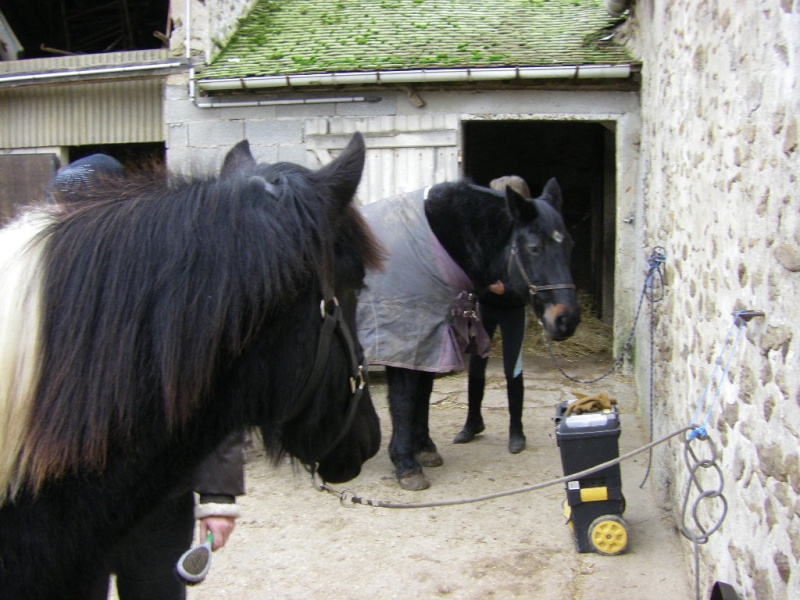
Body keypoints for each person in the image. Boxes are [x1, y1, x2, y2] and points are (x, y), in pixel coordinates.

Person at [48, 155, 246, 599]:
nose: (71, 225)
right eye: (63, 213)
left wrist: (218, 499)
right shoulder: (33, 290)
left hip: (156, 500)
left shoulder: (172, 287)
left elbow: (213, 394)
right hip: (68, 504)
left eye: (83, 212)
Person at [453, 175, 531, 454]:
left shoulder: (524, 236)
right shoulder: (485, 233)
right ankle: (473, 421)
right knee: (476, 365)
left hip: (512, 309)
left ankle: (516, 428)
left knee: (514, 368)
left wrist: (506, 289)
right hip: (485, 306)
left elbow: (529, 280)